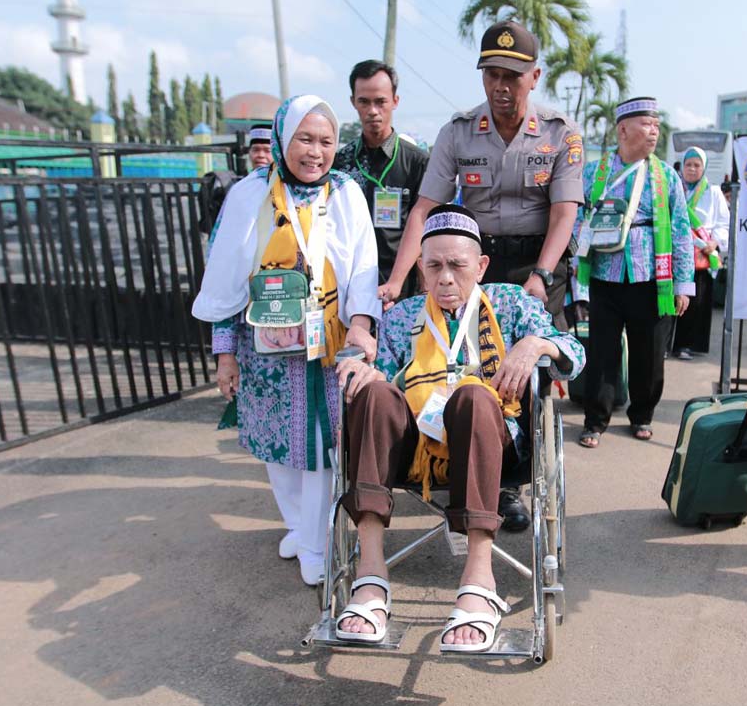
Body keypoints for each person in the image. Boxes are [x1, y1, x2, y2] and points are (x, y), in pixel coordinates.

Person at [333, 204, 584, 651]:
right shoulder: (404, 315)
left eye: (457, 265)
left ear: (481, 266)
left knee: (472, 395)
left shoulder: (511, 303)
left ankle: (479, 579)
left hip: (493, 444)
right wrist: (367, 372)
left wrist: (535, 343)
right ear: (421, 270)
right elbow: (383, 375)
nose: (445, 278)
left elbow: (574, 353)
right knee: (373, 394)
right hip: (415, 449)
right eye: (434, 267)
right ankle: (370, 577)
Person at [377, 19, 585, 532]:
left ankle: (505, 480)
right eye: (492, 74)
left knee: (526, 372)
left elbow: (564, 212)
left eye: (512, 76)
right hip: (472, 256)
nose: (501, 86)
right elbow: (425, 209)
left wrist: (541, 274)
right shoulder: (458, 131)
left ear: (534, 77)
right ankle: (448, 457)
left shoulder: (560, 133)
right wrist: (397, 280)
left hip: (537, 257)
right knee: (458, 358)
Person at [192, 95, 381, 586]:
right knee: (275, 445)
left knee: (321, 447)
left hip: (328, 345)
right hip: (265, 347)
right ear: (282, 139)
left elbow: (363, 267)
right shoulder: (249, 194)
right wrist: (225, 354)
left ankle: (317, 544)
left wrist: (361, 323)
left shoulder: (345, 193)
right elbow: (225, 281)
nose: (316, 152)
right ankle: (298, 526)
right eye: (305, 139)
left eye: (326, 141)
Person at [575, 97, 694, 448]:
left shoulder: (666, 176)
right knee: (602, 353)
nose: (654, 131)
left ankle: (642, 415)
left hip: (652, 279)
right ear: (623, 130)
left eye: (657, 125)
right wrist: (578, 270)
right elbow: (576, 219)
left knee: (650, 354)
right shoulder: (593, 173)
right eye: (647, 124)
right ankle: (595, 419)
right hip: (604, 276)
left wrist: (683, 284)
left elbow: (681, 230)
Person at [334, 60, 430, 299]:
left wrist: (423, 288)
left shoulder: (417, 162)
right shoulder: (340, 163)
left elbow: (425, 228)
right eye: (364, 102)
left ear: (395, 101)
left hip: (401, 290)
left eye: (380, 102)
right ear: (353, 102)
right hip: (349, 287)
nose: (372, 111)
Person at [672, 146, 729, 359]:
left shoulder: (713, 192)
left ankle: (687, 345)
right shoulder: (674, 188)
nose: (692, 169)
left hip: (700, 255)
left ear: (704, 168)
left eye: (697, 165)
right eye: (688, 164)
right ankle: (666, 344)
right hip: (675, 252)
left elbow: (724, 222)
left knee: (696, 301)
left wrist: (715, 242)